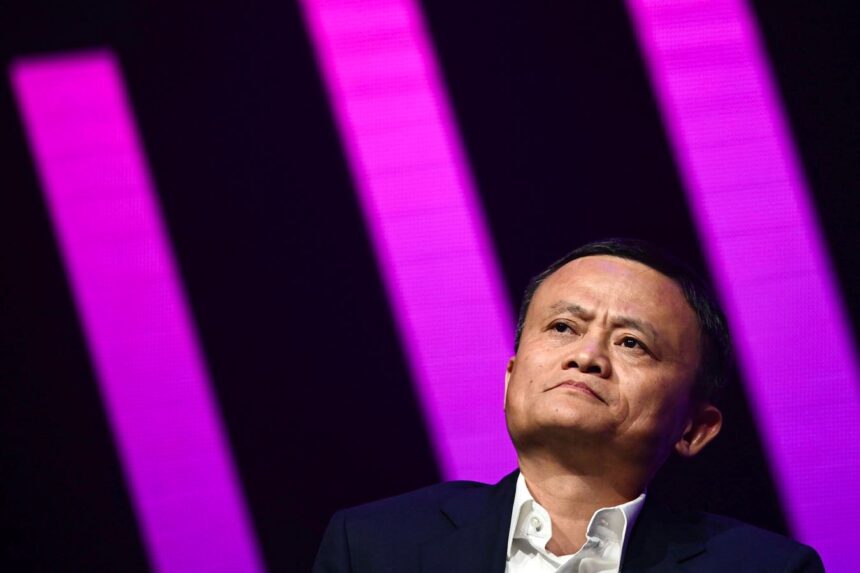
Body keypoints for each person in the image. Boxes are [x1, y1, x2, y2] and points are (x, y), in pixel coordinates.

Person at [312, 238, 825, 573]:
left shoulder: (767, 569)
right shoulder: (375, 545)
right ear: (510, 379)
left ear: (694, 427)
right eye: (563, 327)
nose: (587, 356)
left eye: (631, 343)